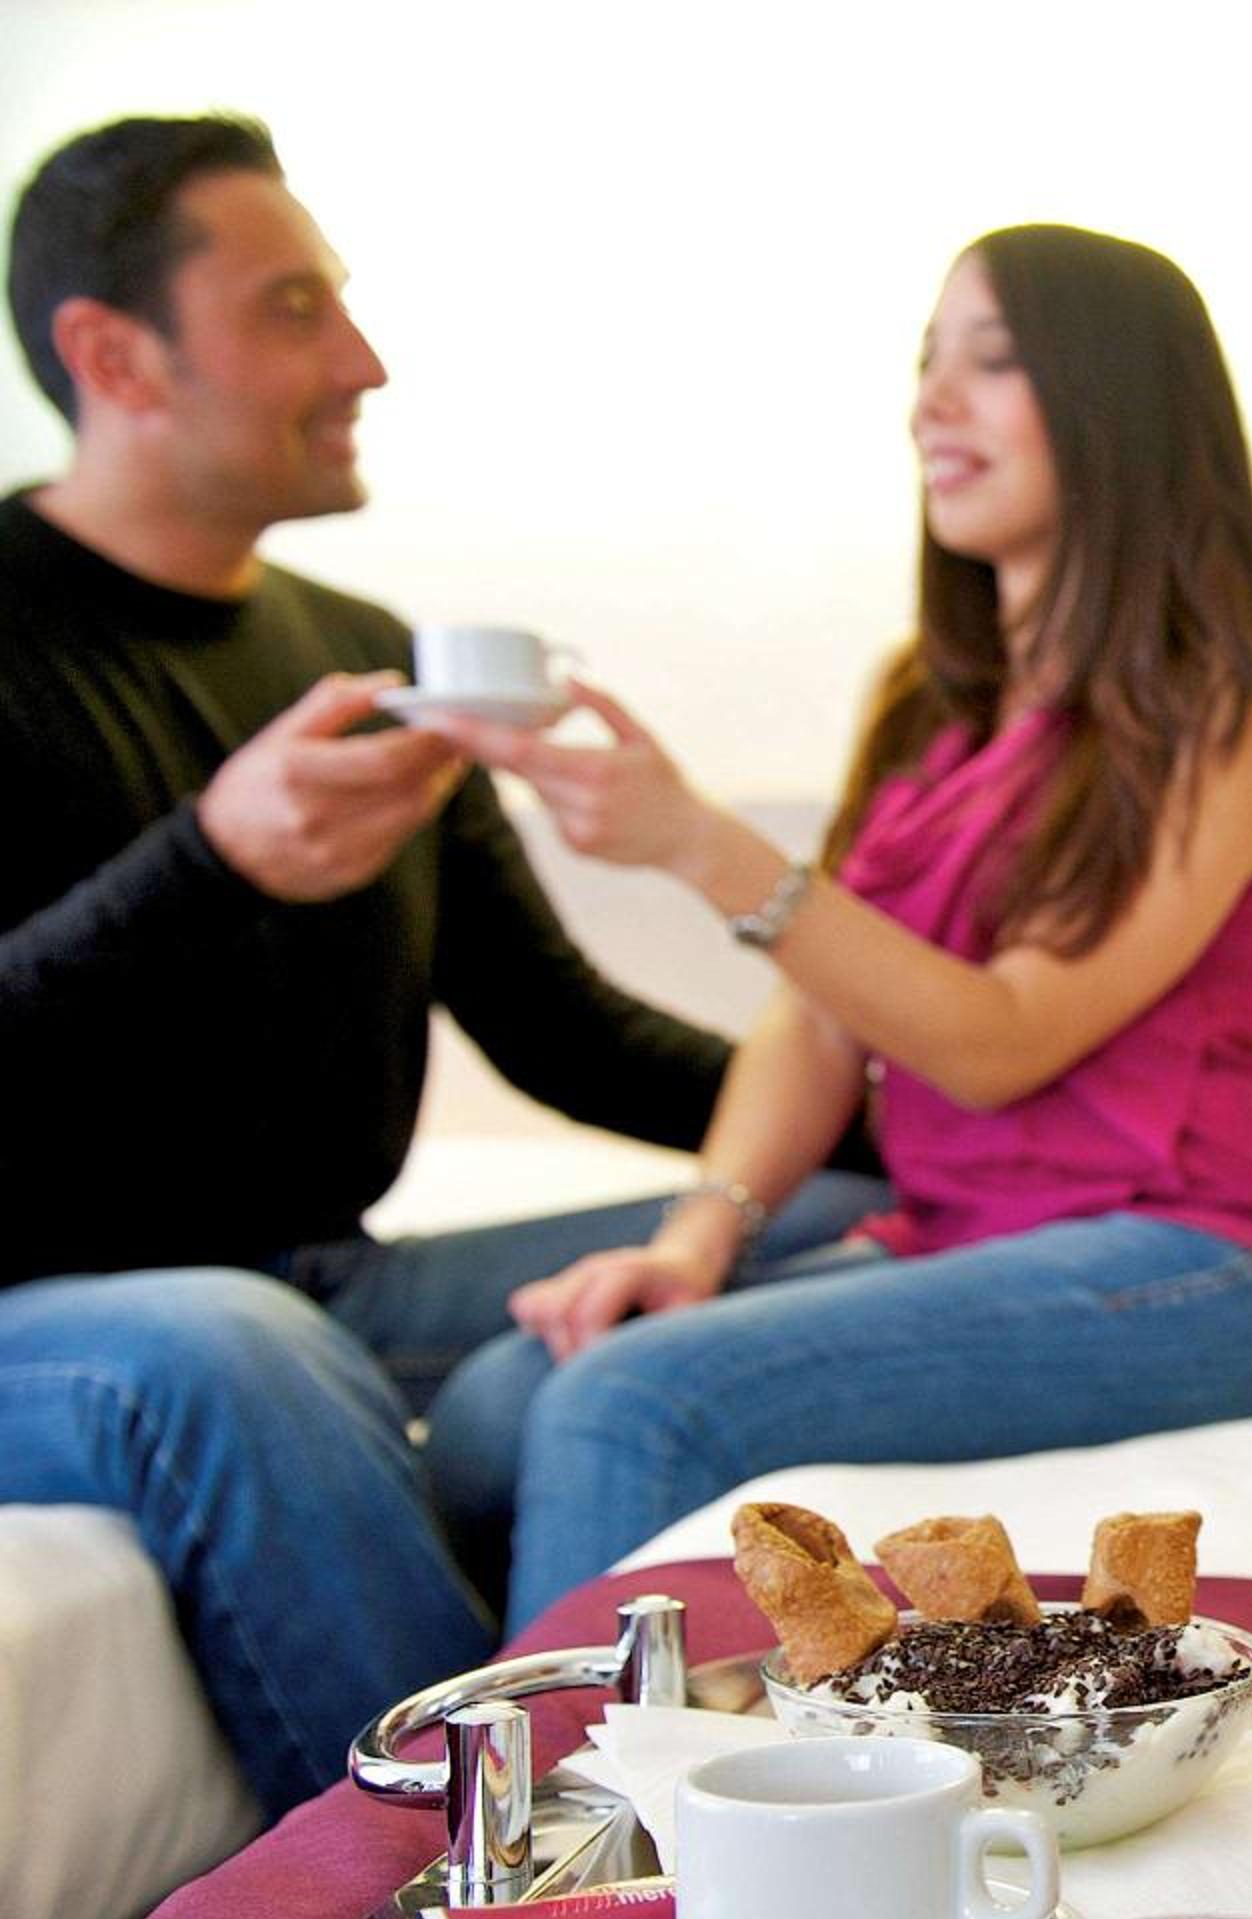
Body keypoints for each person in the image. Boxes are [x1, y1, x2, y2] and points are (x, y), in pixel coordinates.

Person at [0, 114, 880, 1816]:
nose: (365, 361)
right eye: (294, 310)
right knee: (231, 1349)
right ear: (112, 354)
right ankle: (502, 1864)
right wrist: (208, 863)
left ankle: (531, 1522)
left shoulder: (360, 658)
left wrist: (927, 1124)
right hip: (69, 1319)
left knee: (830, 1214)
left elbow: (564, 1030)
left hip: (327, 1283)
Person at [432, 223, 1252, 1631]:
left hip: (1197, 1258)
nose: (932, 402)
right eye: (928, 364)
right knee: (496, 1406)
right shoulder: (927, 701)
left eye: (993, 362)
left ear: (1116, 400)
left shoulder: (1228, 700)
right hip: (958, 1230)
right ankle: (460, 1740)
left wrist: (701, 846)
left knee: (630, 1403)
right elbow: (818, 1017)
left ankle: (579, 1776)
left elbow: (1001, 1042)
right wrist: (695, 1242)